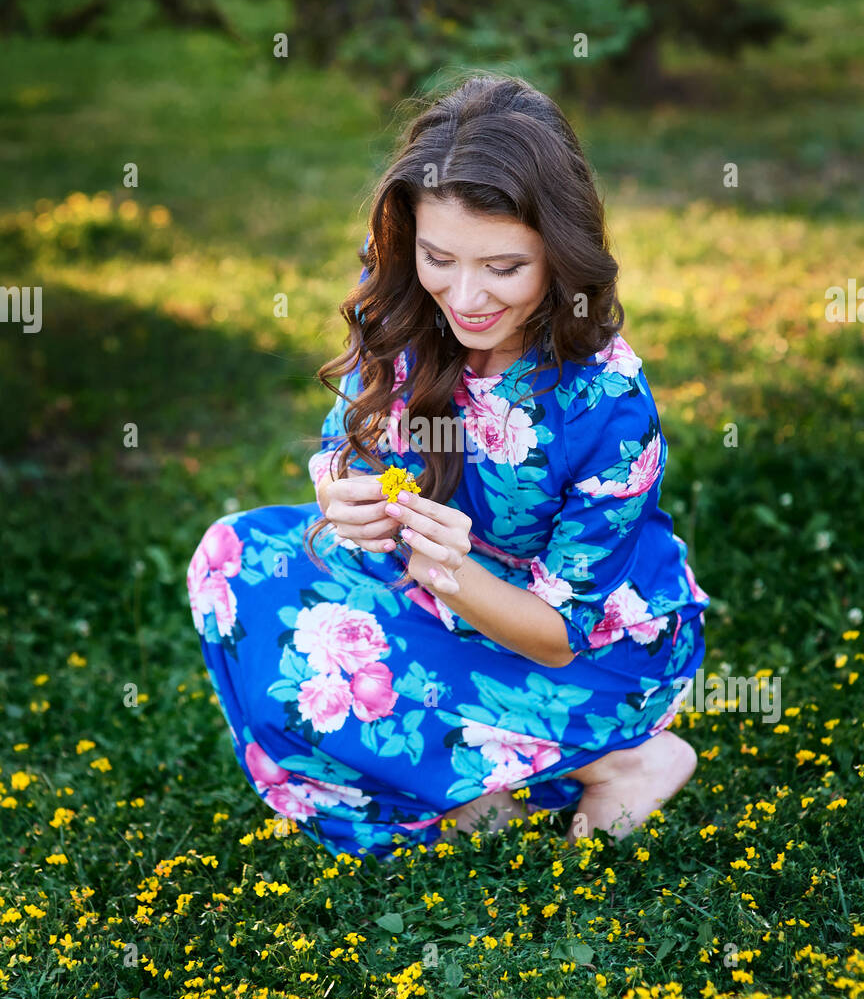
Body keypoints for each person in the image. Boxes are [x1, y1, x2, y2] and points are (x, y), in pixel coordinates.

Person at [185, 74, 710, 861]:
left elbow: (560, 632)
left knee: (335, 684)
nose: (464, 297)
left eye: (503, 269)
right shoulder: (403, 304)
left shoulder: (608, 401)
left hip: (581, 650)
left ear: (560, 256)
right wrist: (340, 495)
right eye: (439, 258)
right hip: (434, 590)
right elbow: (341, 448)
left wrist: (448, 575)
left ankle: (626, 758)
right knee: (231, 564)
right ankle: (503, 777)